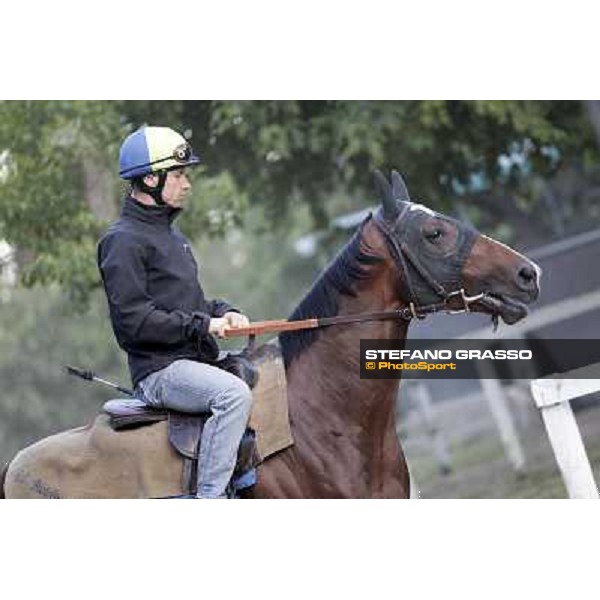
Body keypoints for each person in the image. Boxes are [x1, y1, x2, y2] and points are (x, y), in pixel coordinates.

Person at [97, 125, 253, 499]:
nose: (187, 184)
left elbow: (191, 307)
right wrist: (204, 324)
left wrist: (225, 311)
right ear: (150, 179)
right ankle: (210, 499)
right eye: (179, 174)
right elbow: (134, 323)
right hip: (159, 371)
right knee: (234, 395)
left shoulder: (172, 237)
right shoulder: (121, 241)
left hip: (192, 360)